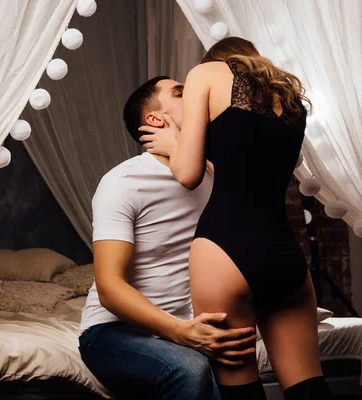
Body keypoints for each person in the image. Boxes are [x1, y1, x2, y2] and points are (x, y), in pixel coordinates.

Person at [138, 37, 331, 399]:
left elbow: (188, 174)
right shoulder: (290, 98)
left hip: (224, 250)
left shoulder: (205, 74)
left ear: (217, 60)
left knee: (241, 391)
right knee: (309, 388)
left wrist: (174, 147)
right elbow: (246, 160)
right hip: (285, 255)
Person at [78, 76, 258, 400]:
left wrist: (180, 148)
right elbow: (109, 287)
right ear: (155, 119)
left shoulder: (215, 175)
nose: (194, 96)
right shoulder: (123, 182)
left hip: (188, 330)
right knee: (190, 368)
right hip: (111, 333)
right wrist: (181, 332)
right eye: (180, 93)